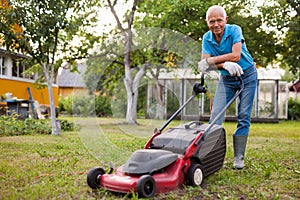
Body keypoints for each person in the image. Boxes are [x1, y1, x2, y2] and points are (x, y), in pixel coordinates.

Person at [198, 5, 258, 169]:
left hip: (248, 76)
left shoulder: (234, 30)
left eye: (219, 20)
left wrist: (211, 61)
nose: (216, 24)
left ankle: (239, 157)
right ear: (207, 22)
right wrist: (224, 65)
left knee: (243, 115)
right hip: (226, 79)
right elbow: (205, 66)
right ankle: (209, 154)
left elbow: (236, 55)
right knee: (215, 117)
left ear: (226, 20)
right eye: (212, 21)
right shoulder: (207, 38)